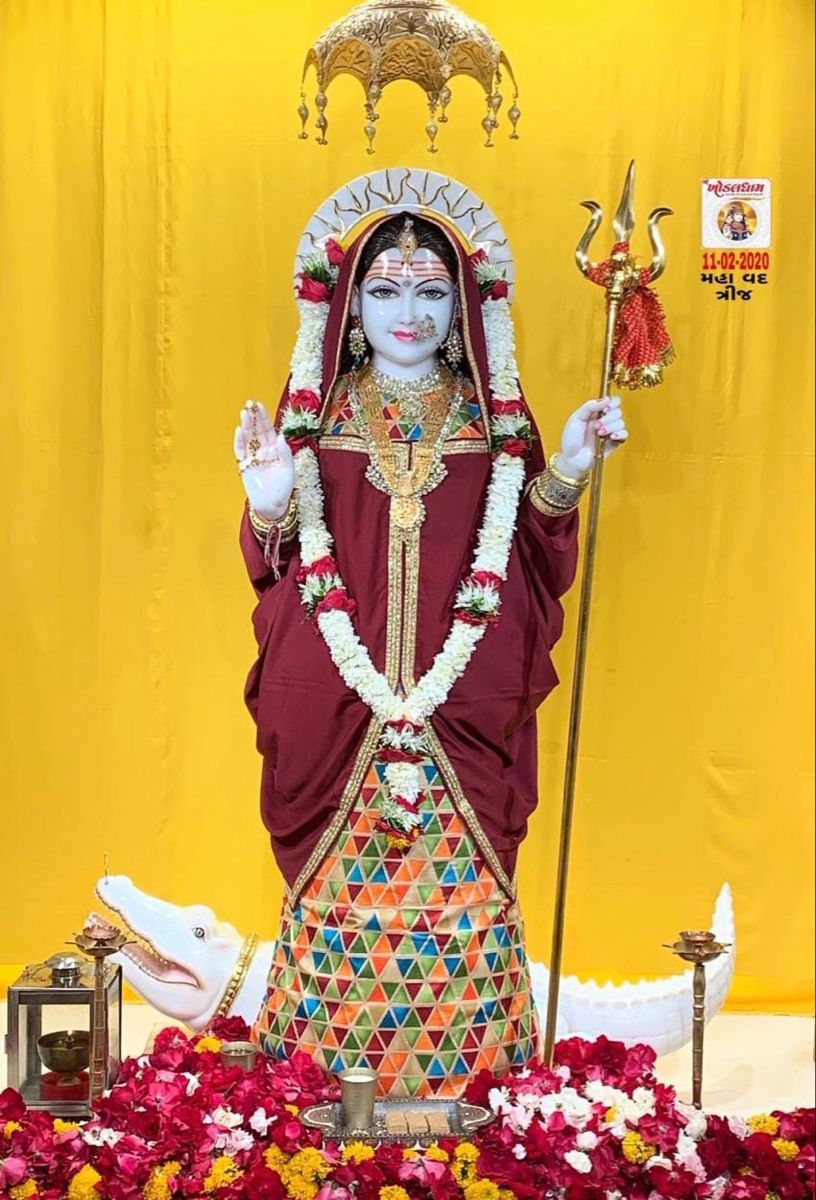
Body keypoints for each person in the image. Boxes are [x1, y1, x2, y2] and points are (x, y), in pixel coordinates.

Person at [233, 209, 627, 1098]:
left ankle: (474, 1080)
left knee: (468, 898)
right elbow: (279, 564)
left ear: (464, 309)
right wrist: (265, 504)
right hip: (336, 702)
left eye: (429, 293)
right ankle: (323, 1081)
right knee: (335, 894)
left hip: (463, 706)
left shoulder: (492, 428)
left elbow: (529, 549)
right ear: (346, 307)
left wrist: (563, 467)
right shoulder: (315, 420)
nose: (406, 314)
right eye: (382, 291)